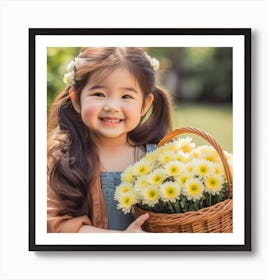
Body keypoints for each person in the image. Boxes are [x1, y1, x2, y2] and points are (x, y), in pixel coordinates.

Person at [47, 47, 173, 233]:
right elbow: (53, 225)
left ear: (145, 105)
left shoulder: (158, 158)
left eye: (126, 96)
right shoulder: (61, 157)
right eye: (99, 94)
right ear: (76, 99)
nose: (112, 106)